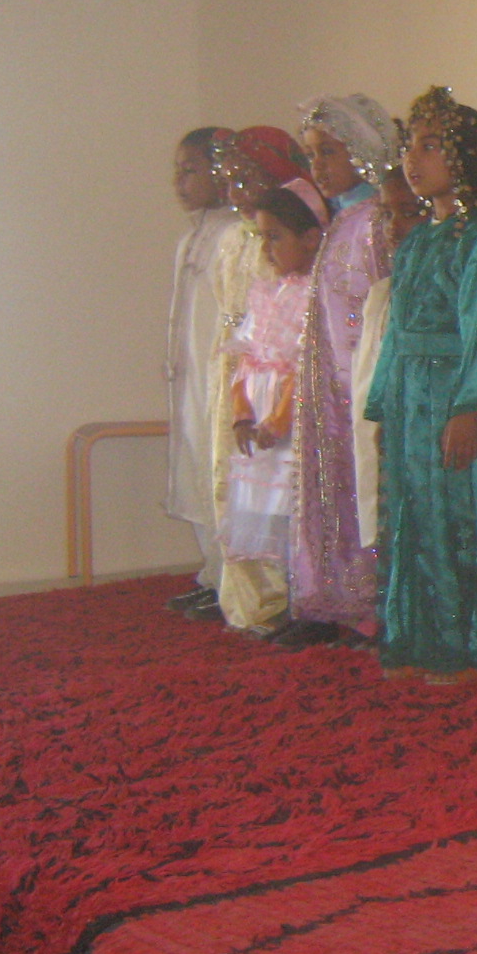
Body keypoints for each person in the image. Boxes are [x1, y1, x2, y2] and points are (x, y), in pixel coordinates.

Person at [366, 87, 477, 685]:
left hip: (451, 391)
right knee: (415, 514)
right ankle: (424, 635)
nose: (414, 159)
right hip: (410, 395)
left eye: (431, 146)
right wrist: (383, 401)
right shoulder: (418, 239)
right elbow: (395, 329)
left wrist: (468, 406)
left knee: (462, 514)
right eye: (411, 146)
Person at [281, 94, 397, 648]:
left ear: (363, 151)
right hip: (329, 385)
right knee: (331, 485)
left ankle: (371, 601)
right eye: (310, 155)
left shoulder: (377, 222)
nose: (318, 166)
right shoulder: (343, 220)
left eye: (329, 152)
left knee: (363, 487)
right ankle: (331, 596)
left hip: (361, 384)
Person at [209, 127, 323, 632]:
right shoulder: (265, 291)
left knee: (297, 512)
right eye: (263, 238)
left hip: (287, 427)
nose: (268, 248)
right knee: (270, 516)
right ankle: (282, 604)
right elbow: (246, 358)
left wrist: (278, 420)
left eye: (275, 237)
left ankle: (305, 605)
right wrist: (241, 414)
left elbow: (303, 367)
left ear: (310, 238)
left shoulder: (313, 294)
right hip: (258, 426)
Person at [162, 127, 241, 617]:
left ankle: (236, 582)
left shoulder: (235, 233)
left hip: (220, 377)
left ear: (221, 172)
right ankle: (212, 575)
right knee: (194, 468)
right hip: (191, 377)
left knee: (221, 473)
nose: (180, 182)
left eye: (191, 170)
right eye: (178, 171)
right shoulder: (192, 237)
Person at [351, 170, 426, 557]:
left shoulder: (440, 292)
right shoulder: (383, 293)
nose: (393, 229)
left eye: (409, 213)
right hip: (389, 430)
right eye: (386, 215)